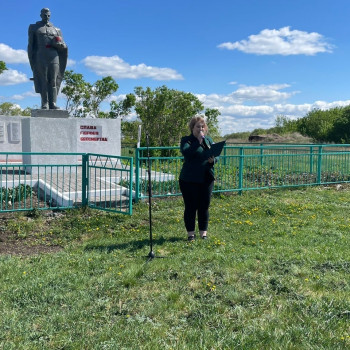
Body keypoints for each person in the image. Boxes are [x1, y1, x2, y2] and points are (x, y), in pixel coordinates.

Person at [179, 116, 217, 241]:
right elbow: (187, 153)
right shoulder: (187, 140)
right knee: (190, 207)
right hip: (189, 180)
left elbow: (215, 155)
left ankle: (203, 233)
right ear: (192, 128)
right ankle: (191, 234)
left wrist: (213, 160)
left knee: (204, 206)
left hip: (206, 178)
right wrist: (198, 142)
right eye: (198, 127)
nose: (200, 129)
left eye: (202, 126)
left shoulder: (209, 140)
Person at [28, 8, 68, 110]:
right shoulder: (34, 27)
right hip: (40, 56)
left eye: (48, 15)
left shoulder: (57, 30)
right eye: (45, 15)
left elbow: (63, 45)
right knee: (43, 80)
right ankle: (44, 103)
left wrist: (60, 45)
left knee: (53, 80)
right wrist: (32, 60)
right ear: (41, 15)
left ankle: (53, 103)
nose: (47, 17)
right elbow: (31, 45)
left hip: (54, 56)